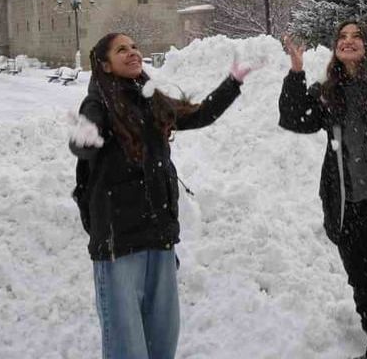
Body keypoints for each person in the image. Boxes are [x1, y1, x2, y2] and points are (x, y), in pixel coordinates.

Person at [69, 32, 251, 359]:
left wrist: (232, 82)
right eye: (121, 50)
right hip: (118, 244)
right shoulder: (98, 102)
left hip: (159, 237)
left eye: (135, 47)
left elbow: (197, 115)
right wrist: (85, 136)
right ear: (105, 65)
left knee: (162, 341)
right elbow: (83, 140)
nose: (132, 52)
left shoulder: (150, 98)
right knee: (128, 347)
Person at [278, 22, 367, 359]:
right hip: (347, 206)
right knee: (361, 281)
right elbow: (294, 118)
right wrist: (296, 72)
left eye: (356, 36)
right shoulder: (328, 91)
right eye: (342, 37)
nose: (348, 41)